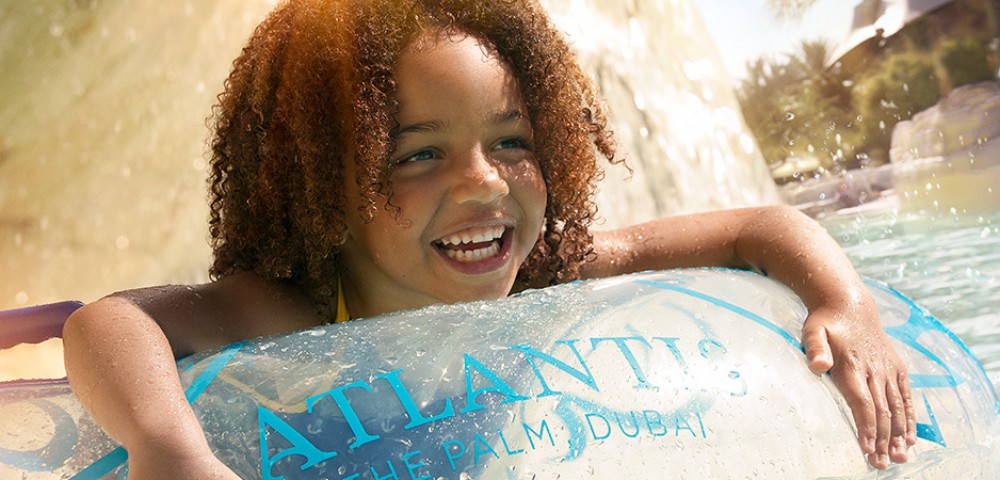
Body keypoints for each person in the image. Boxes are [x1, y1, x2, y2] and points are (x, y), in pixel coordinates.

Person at [62, 0, 916, 477]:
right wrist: (166, 445)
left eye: (512, 141)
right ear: (324, 188)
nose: (483, 182)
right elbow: (108, 323)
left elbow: (755, 227)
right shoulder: (300, 309)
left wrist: (844, 302)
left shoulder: (549, 272)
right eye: (420, 155)